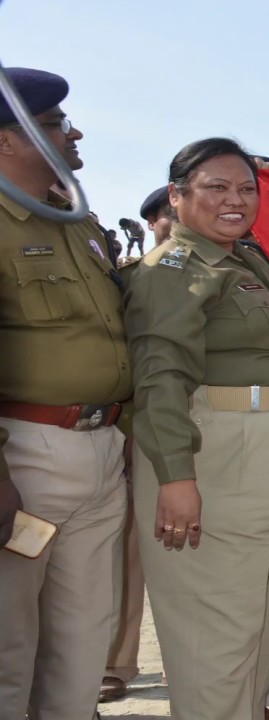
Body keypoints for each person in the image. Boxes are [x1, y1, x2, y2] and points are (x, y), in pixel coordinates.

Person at [126, 137, 269, 720]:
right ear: (177, 195)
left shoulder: (251, 261)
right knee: (216, 617)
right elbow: (159, 376)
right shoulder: (174, 268)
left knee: (268, 609)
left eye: (247, 188)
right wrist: (176, 476)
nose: (236, 200)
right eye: (217, 187)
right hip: (227, 444)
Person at [0, 67, 131, 720]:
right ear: (6, 141)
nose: (72, 131)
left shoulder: (78, 220)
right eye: (54, 122)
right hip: (25, 453)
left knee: (83, 636)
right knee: (10, 644)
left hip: (100, 447)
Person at [99, 185, 183, 705]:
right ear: (153, 220)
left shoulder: (225, 276)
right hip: (136, 432)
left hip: (209, 433)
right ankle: (114, 662)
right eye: (166, 216)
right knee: (124, 558)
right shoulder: (128, 282)